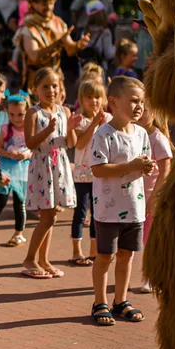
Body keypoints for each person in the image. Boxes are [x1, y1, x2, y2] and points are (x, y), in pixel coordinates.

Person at [89, 76, 153, 327]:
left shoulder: (142, 134)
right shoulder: (103, 134)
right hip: (108, 209)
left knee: (127, 255)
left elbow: (142, 164)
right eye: (134, 101)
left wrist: (146, 167)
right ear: (113, 103)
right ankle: (99, 302)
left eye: (142, 102)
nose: (139, 107)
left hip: (134, 208)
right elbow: (98, 169)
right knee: (106, 256)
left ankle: (121, 301)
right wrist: (131, 166)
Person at [22, 68, 76, 278]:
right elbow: (30, 143)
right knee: (48, 216)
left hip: (59, 165)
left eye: (54, 86)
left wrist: (71, 128)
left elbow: (71, 143)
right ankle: (30, 259)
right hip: (42, 166)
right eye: (45, 86)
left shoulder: (65, 111)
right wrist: (47, 130)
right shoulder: (33, 113)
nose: (51, 90)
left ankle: (44, 260)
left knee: (51, 215)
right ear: (35, 89)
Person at [67, 79, 109, 266]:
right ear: (81, 99)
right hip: (82, 175)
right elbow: (79, 144)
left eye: (97, 97)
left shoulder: (108, 119)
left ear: (104, 99)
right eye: (89, 97)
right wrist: (93, 124)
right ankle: (76, 251)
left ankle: (94, 250)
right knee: (80, 212)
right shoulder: (79, 120)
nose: (94, 101)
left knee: (97, 213)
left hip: (101, 173)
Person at [15, 0, 86, 92]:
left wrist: (79, 45)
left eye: (51, 3)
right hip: (36, 82)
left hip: (56, 81)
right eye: (44, 4)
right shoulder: (28, 27)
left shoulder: (58, 23)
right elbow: (35, 57)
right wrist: (58, 43)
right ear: (34, 4)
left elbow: (70, 50)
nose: (48, 7)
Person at [136, 106, 172, 293]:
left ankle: (150, 278)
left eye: (146, 110)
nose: (141, 113)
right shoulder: (135, 135)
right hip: (136, 198)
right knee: (142, 240)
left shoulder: (157, 139)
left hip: (151, 200)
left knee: (150, 241)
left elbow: (165, 171)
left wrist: (154, 198)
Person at [0, 90, 32, 248]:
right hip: (7, 166)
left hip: (22, 168)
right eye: (12, 114)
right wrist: (9, 154)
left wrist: (26, 155)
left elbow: (35, 148)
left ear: (27, 112)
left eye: (20, 114)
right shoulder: (5, 129)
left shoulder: (30, 129)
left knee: (19, 201)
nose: (16, 118)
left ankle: (18, 233)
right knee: (1, 199)